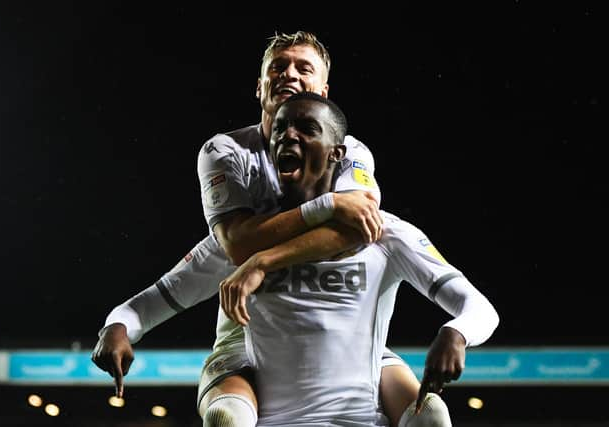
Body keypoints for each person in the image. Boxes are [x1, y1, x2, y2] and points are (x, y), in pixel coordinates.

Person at [92, 31, 450, 427]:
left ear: (325, 95)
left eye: (303, 67)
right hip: (248, 341)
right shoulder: (226, 151)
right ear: (259, 86)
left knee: (429, 413)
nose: (289, 75)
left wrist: (262, 260)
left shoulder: (353, 150)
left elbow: (362, 226)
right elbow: (235, 245)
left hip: (343, 344)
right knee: (228, 417)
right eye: (277, 67)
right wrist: (328, 205)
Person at [218, 91, 500, 426]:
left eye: (306, 128)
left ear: (336, 153)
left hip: (359, 420)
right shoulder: (247, 240)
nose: (288, 136)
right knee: (224, 417)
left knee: (432, 415)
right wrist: (134, 327)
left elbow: (481, 309)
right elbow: (163, 296)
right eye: (280, 129)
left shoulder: (385, 233)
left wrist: (455, 334)